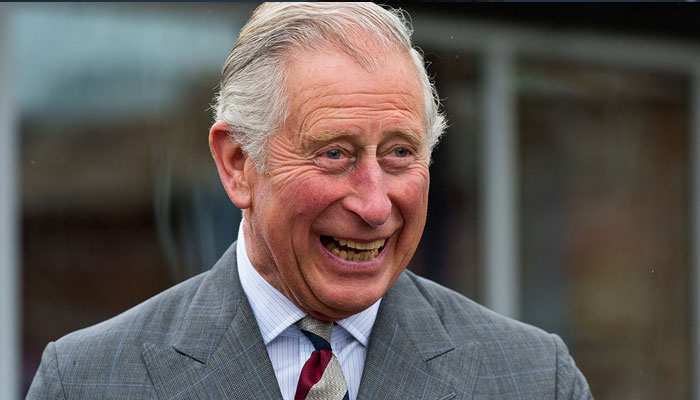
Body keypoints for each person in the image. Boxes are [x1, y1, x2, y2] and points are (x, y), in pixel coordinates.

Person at [27, 3, 592, 399]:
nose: (374, 206)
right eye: (334, 154)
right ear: (238, 165)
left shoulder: (533, 379)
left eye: (399, 153)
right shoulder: (89, 381)